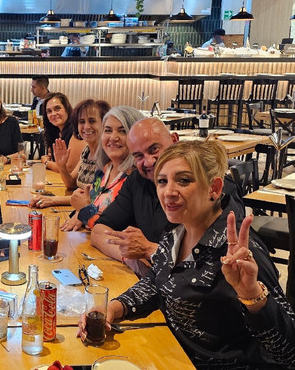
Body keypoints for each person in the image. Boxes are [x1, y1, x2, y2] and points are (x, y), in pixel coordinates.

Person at [78, 141, 295, 368]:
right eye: (162, 181)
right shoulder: (175, 232)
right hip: (174, 355)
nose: (169, 192)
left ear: (214, 188)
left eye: (183, 180)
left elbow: (290, 354)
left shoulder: (241, 251)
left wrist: (253, 297)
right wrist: (113, 308)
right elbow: (156, 282)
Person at [90, 117, 245, 276]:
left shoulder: (214, 186)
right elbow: (98, 232)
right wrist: (131, 259)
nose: (148, 162)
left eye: (154, 149)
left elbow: (223, 258)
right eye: (138, 156)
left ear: (174, 140)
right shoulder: (137, 181)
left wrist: (151, 251)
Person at [60, 106, 144, 231]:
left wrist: (84, 211)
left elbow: (113, 229)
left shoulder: (137, 179)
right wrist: (80, 213)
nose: (113, 137)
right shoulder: (104, 169)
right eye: (108, 130)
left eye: (123, 131)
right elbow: (91, 205)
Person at [31, 99, 109, 211]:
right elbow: (71, 184)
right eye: (82, 122)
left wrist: (53, 200)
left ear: (104, 123)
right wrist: (61, 165)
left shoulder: (106, 155)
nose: (86, 126)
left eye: (92, 121)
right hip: (79, 209)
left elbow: (94, 196)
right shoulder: (87, 151)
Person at [40, 92, 85, 173]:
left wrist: (46, 162)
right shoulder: (55, 132)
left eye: (57, 108)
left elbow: (69, 169)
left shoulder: (76, 131)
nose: (53, 114)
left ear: (67, 109)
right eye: (49, 111)